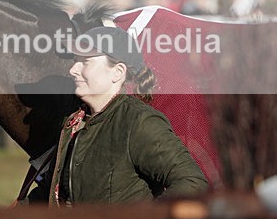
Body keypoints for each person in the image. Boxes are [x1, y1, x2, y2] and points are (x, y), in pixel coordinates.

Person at [31, 26, 209, 206]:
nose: (73, 70)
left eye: (85, 62)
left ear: (118, 72)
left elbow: (192, 182)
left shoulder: (140, 122)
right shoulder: (73, 122)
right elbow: (51, 191)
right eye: (76, 60)